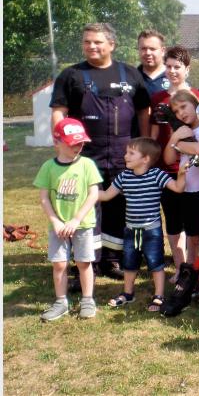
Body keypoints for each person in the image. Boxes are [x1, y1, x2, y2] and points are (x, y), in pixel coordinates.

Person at [50, 22, 151, 281]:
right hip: (85, 155)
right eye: (87, 42)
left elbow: (143, 110)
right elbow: (59, 111)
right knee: (85, 209)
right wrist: (61, 141)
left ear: (111, 45)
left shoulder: (130, 74)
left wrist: (145, 143)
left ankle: (111, 259)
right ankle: (86, 261)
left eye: (97, 42)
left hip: (123, 154)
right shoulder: (71, 75)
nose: (91, 46)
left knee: (118, 206)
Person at [99, 138, 187, 312]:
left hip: (151, 230)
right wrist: (88, 191)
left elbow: (178, 188)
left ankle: (159, 295)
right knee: (129, 263)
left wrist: (182, 174)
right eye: (126, 152)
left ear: (145, 159)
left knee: (156, 263)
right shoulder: (124, 176)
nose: (125, 156)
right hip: (131, 230)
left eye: (131, 153)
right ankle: (127, 293)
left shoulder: (157, 175)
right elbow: (106, 195)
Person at [34, 119, 103, 321]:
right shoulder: (48, 167)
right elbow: (44, 198)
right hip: (58, 227)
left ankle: (88, 299)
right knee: (59, 265)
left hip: (82, 225)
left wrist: (76, 219)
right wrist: (56, 221)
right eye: (73, 142)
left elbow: (93, 195)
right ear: (57, 143)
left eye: (81, 142)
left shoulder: (87, 165)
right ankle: (61, 301)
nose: (78, 146)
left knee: (83, 263)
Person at [150, 46, 199, 279]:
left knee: (195, 224)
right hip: (167, 169)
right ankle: (179, 266)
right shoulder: (158, 99)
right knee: (173, 221)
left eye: (177, 67)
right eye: (169, 66)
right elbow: (154, 136)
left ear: (187, 69)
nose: (172, 71)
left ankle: (194, 267)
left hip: (195, 171)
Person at [162, 91, 199, 303]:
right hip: (188, 191)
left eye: (183, 107)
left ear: (196, 105)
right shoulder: (182, 131)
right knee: (194, 239)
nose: (180, 113)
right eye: (176, 111)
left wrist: (177, 142)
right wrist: (175, 136)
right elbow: (169, 158)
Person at [137, 29, 169, 97]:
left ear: (163, 51)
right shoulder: (131, 77)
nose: (148, 53)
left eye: (152, 49)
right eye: (143, 48)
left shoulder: (173, 77)